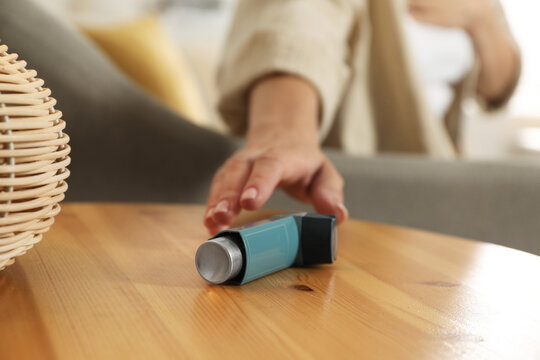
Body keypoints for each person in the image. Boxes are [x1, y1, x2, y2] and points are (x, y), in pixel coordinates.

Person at [204, 0, 521, 234]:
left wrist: (481, 18)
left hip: (447, 193)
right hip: (353, 195)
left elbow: (498, 87)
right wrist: (284, 130)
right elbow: (297, 18)